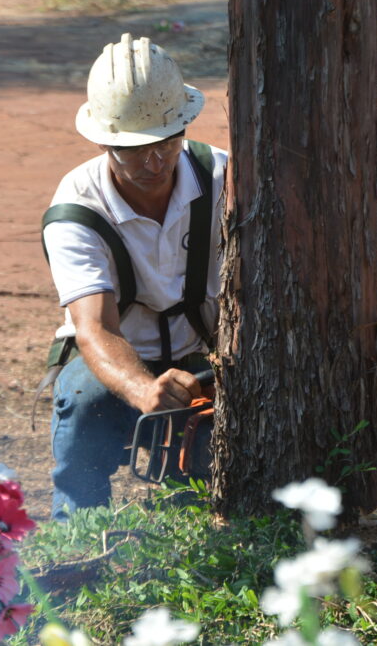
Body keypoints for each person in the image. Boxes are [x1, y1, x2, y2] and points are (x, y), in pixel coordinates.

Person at [42, 33, 229, 520]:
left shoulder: (222, 180)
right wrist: (145, 390)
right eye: (134, 149)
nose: (154, 163)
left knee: (201, 483)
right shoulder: (76, 209)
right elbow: (95, 329)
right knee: (85, 403)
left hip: (199, 352)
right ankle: (77, 531)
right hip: (115, 360)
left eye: (167, 143)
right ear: (103, 141)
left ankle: (198, 532)